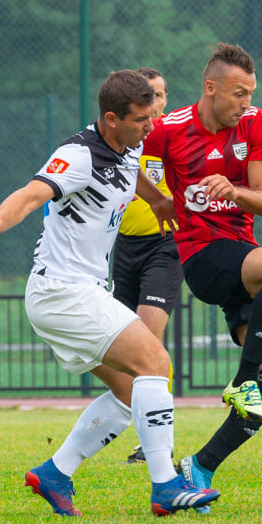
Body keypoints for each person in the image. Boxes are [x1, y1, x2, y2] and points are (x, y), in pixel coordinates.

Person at [0, 69, 219, 517]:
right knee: (156, 362)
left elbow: (131, 169)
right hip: (62, 293)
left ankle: (54, 473)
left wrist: (157, 201)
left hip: (74, 294)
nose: (150, 125)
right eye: (141, 118)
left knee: (129, 393)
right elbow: (31, 194)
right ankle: (165, 485)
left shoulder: (129, 143)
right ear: (110, 118)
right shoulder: (79, 155)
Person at [142, 42, 262, 513]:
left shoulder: (256, 125)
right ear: (211, 88)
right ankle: (243, 378)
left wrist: (233, 189)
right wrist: (157, 200)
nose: (245, 103)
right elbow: (129, 165)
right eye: (237, 94)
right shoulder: (169, 130)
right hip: (202, 257)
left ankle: (200, 466)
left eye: (250, 93)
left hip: (244, 257)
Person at [110, 67, 183, 464]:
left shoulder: (170, 136)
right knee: (119, 349)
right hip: (124, 249)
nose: (156, 102)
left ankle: (159, 442)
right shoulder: (122, 140)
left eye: (161, 94)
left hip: (164, 247)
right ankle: (145, 430)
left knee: (148, 339)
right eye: (149, 96)